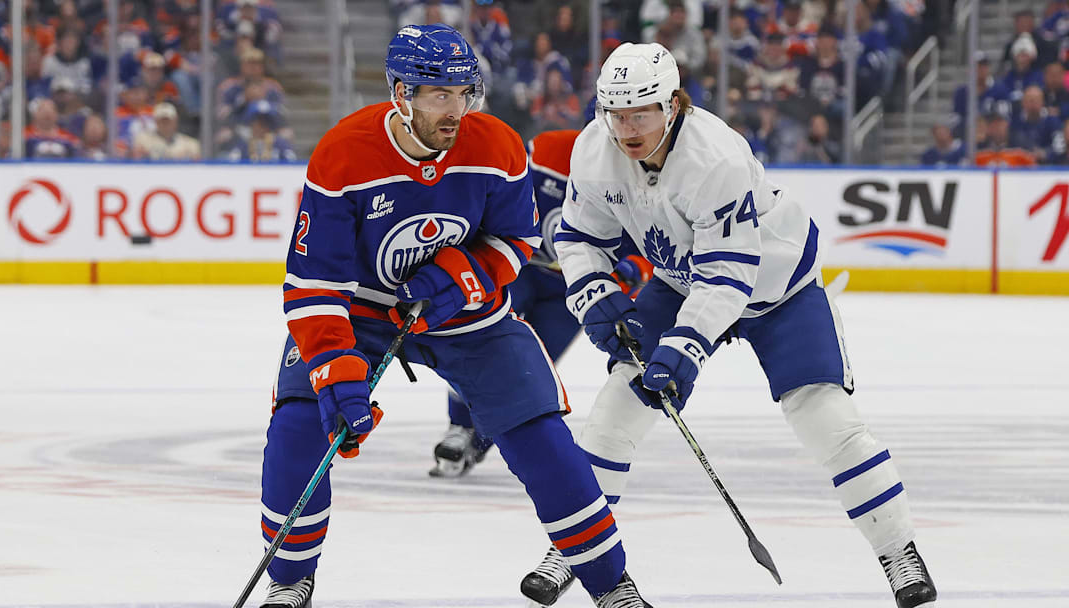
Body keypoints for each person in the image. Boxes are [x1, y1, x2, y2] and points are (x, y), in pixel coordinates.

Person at [519, 41, 937, 608]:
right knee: (617, 408)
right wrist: (593, 293)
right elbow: (579, 238)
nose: (626, 127)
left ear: (672, 106)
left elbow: (729, 274)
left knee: (826, 420)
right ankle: (577, 549)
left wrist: (684, 350)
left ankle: (899, 551)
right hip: (678, 281)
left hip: (778, 290)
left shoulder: (715, 156)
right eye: (615, 112)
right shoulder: (595, 148)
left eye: (640, 112)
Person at [256, 25, 652, 608]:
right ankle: (290, 582)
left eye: (465, 93)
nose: (456, 110)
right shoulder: (343, 154)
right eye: (439, 94)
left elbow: (514, 241)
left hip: (467, 313)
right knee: (297, 428)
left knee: (541, 435)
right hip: (363, 314)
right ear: (400, 93)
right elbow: (314, 284)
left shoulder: (495, 145)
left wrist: (455, 279)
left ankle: (610, 584)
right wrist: (336, 364)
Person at [429, 128, 653, 478]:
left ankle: (482, 440)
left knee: (526, 367)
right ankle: (459, 426)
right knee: (479, 342)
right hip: (519, 269)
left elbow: (650, 249)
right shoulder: (548, 148)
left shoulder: (640, 170)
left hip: (575, 289)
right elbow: (501, 191)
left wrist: (628, 271)